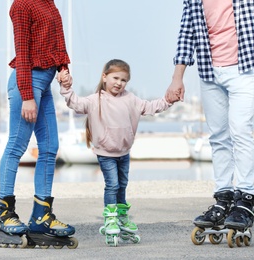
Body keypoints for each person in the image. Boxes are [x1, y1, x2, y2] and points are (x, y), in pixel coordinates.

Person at [166, 0, 254, 233]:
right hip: (210, 71)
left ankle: (246, 201)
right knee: (218, 136)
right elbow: (186, 33)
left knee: (240, 130)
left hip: (245, 67)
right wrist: (177, 78)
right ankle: (223, 198)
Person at [0, 0, 77, 249]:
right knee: (16, 146)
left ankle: (41, 218)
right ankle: (3, 216)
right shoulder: (22, 5)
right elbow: (23, 52)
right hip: (26, 83)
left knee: (50, 147)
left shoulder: (49, 3)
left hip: (45, 82)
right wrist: (27, 95)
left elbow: (57, 42)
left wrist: (63, 68)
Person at [58, 59, 175, 246]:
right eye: (115, 78)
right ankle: (110, 217)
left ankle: (121, 217)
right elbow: (75, 104)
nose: (119, 83)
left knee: (122, 185)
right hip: (105, 153)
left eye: (124, 80)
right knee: (112, 185)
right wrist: (66, 87)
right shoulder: (95, 100)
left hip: (124, 152)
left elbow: (151, 107)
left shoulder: (131, 99)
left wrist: (169, 100)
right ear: (104, 77)